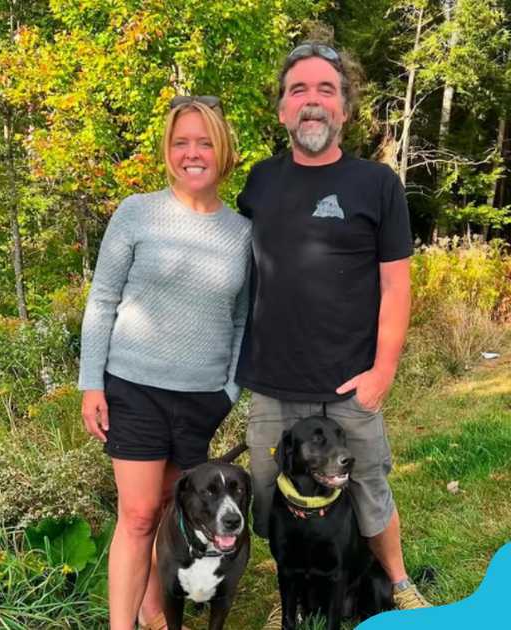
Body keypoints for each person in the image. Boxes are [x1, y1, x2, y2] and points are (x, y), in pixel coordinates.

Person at [233, 42, 432, 629]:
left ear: (345, 109)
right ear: (282, 111)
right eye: (299, 91)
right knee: (273, 496)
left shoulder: (377, 185)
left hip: (351, 382)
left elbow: (396, 286)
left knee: (367, 482)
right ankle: (295, 585)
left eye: (326, 90)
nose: (312, 102)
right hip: (273, 383)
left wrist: (383, 371)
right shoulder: (260, 183)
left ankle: (397, 583)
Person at [79, 96, 252, 630]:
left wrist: (229, 390)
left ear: (222, 151)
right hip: (133, 388)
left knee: (167, 512)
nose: (192, 153)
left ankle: (157, 612)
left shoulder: (243, 233)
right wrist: (91, 383)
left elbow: (244, 320)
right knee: (135, 516)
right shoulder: (136, 212)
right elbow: (102, 300)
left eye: (204, 142)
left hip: (202, 400)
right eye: (181, 142)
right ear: (168, 151)